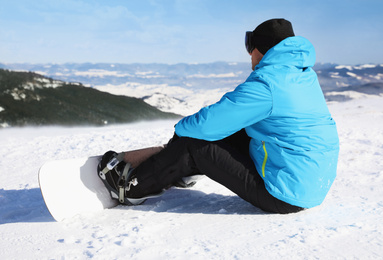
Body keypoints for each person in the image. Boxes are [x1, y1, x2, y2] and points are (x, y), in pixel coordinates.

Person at [98, 18, 339, 214]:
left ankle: (129, 188)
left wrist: (180, 132)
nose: (249, 55)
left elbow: (210, 123)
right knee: (236, 130)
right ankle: (180, 169)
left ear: (260, 49)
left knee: (194, 142)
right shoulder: (302, 75)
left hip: (285, 193)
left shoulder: (268, 84)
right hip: (308, 184)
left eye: (249, 46)